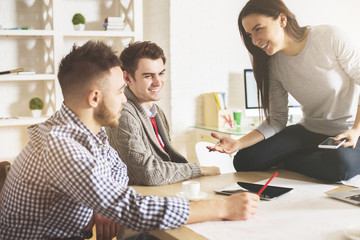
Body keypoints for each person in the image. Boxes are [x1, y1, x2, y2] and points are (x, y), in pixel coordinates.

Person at [0, 41, 259, 240]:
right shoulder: (61, 144)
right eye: (119, 91)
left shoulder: (87, 130)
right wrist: (223, 207)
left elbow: (119, 172)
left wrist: (102, 200)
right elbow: (132, 210)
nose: (124, 100)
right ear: (94, 98)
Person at [208, 0, 360, 182]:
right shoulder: (272, 63)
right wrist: (238, 143)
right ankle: (312, 160)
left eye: (258, 29)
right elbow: (277, 118)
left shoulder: (329, 37)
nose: (255, 41)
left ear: (281, 19)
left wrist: (356, 129)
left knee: (340, 165)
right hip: (309, 130)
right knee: (245, 160)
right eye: (249, 35)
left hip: (348, 131)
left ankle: (289, 162)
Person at [106, 41, 220, 186]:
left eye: (161, 73)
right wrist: (198, 169)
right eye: (148, 76)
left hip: (164, 190)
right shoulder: (123, 114)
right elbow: (148, 173)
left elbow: (165, 162)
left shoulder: (156, 111)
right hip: (142, 196)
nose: (158, 82)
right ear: (128, 78)